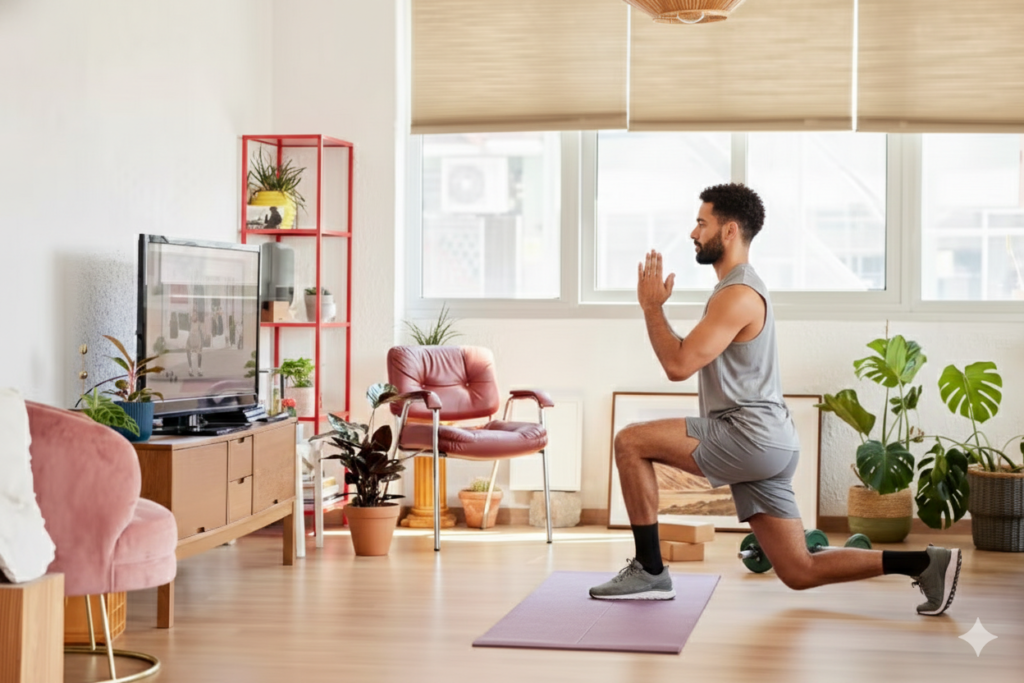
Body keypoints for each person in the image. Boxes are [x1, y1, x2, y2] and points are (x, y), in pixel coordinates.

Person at [588, 183, 962, 617]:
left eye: (701, 222)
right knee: (799, 570)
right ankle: (925, 563)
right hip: (770, 442)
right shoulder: (734, 290)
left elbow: (678, 365)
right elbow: (685, 355)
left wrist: (651, 307)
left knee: (630, 441)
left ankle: (650, 571)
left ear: (728, 231)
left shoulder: (738, 294)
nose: (693, 232)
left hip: (749, 435)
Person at [186, 305, 204, 378]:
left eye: (195, 315)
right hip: (191, 340)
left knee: (199, 353)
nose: (194, 316)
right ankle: (190, 369)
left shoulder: (199, 323)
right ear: (191, 316)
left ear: (197, 316)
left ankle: (199, 369)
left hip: (197, 340)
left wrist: (202, 341)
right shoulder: (190, 323)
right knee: (188, 351)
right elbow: (188, 331)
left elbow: (201, 332)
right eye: (193, 315)